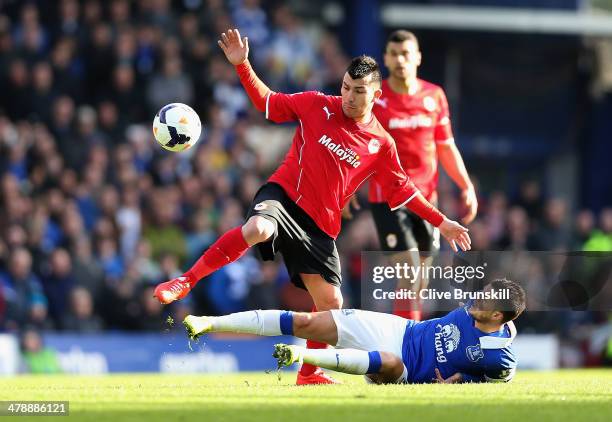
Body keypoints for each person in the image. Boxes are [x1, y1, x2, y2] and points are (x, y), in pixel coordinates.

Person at [154, 28, 471, 385]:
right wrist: (242, 64)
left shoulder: (381, 144)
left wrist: (443, 221)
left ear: (376, 94)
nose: (349, 96)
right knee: (259, 230)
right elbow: (267, 103)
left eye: (359, 91)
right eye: (346, 88)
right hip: (284, 197)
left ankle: (309, 374)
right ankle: (186, 280)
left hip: (319, 226)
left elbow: (404, 190)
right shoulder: (316, 104)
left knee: (331, 304)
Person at [184, 279, 525, 384]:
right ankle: (209, 322)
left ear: (497, 315)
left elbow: (493, 384)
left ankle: (303, 355)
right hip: (401, 329)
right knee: (307, 321)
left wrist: (458, 384)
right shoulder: (477, 306)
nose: (475, 299)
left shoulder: (498, 356)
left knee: (388, 361)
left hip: (407, 371)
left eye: (484, 300)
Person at [368, 30, 478, 321]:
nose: (400, 59)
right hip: (388, 198)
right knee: (409, 273)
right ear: (386, 59)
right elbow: (359, 147)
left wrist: (465, 185)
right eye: (394, 54)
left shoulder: (434, 96)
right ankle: (406, 351)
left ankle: (407, 344)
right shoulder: (375, 99)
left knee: (419, 282)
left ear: (417, 57)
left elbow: (446, 146)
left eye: (406, 53)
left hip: (426, 200)